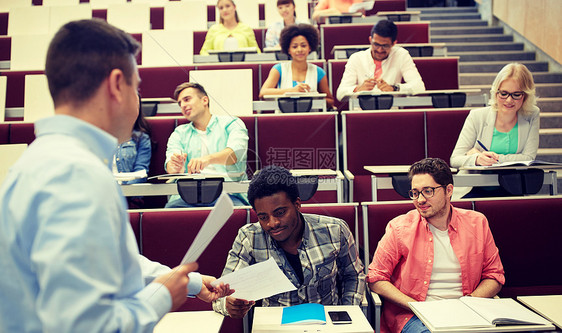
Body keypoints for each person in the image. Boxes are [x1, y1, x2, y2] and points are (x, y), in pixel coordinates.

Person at [0, 19, 231, 333]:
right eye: (136, 87)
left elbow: (106, 259)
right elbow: (88, 326)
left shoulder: (49, 160)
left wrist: (184, 281)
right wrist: (161, 297)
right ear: (115, 85)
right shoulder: (74, 173)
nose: (138, 100)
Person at [367, 158, 505, 333]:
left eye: (428, 191)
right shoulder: (400, 227)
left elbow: (494, 276)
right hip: (415, 315)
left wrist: (468, 303)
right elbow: (376, 277)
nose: (420, 199)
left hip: (469, 311)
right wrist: (415, 306)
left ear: (449, 190)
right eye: (415, 193)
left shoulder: (477, 223)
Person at [212, 165, 365, 318]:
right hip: (275, 324)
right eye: (263, 217)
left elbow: (353, 275)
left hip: (326, 322)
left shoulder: (335, 230)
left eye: (280, 213)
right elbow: (222, 292)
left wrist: (347, 314)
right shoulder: (249, 237)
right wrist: (227, 304)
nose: (272, 223)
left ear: (297, 204)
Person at [450, 63, 539, 198]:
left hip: (513, 188)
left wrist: (491, 159)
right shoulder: (477, 116)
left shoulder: (532, 115)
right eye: (503, 93)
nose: (509, 100)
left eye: (516, 94)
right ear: (496, 92)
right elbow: (455, 159)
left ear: (525, 95)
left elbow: (528, 157)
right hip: (474, 188)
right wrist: (476, 158)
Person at [165, 82, 249, 208]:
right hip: (186, 197)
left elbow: (234, 154)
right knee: (167, 216)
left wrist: (207, 159)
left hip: (227, 194)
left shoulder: (232, 123)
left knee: (236, 213)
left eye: (187, 99)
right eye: (180, 103)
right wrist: (175, 167)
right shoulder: (179, 133)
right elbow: (171, 165)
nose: (183, 105)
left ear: (204, 100)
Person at [336, 20, 425, 101]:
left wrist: (394, 89)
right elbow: (340, 94)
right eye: (376, 44)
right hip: (361, 113)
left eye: (385, 46)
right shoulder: (356, 58)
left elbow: (419, 88)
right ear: (370, 40)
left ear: (394, 43)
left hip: (391, 112)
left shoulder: (401, 55)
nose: (379, 50)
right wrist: (358, 89)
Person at [259, 23, 334, 109]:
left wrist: (314, 96)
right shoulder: (278, 69)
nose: (299, 50)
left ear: (310, 47)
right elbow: (263, 93)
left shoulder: (319, 72)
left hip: (312, 118)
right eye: (294, 47)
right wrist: (292, 91)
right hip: (283, 117)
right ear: (288, 50)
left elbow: (330, 100)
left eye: (303, 46)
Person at [114, 93, 152, 208]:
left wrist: (123, 194)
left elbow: (140, 172)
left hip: (129, 198)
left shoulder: (141, 138)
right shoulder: (100, 133)